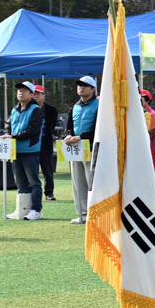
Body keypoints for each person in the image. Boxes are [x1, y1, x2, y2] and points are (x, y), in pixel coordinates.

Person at [5, 81, 50, 220]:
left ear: (32, 94)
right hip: (15, 150)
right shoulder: (15, 109)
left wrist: (13, 136)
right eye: (19, 90)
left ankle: (36, 210)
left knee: (34, 182)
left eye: (25, 90)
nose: (21, 92)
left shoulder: (36, 110)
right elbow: (8, 124)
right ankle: (22, 209)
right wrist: (7, 133)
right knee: (20, 183)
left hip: (30, 150)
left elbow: (33, 130)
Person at [63, 75, 100, 224]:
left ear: (93, 89)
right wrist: (68, 136)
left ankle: (95, 214)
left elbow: (99, 128)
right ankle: (82, 215)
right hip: (76, 149)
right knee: (77, 183)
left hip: (91, 149)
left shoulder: (99, 105)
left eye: (85, 85)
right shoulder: (75, 106)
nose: (81, 88)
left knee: (92, 182)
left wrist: (82, 136)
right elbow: (69, 127)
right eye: (79, 85)